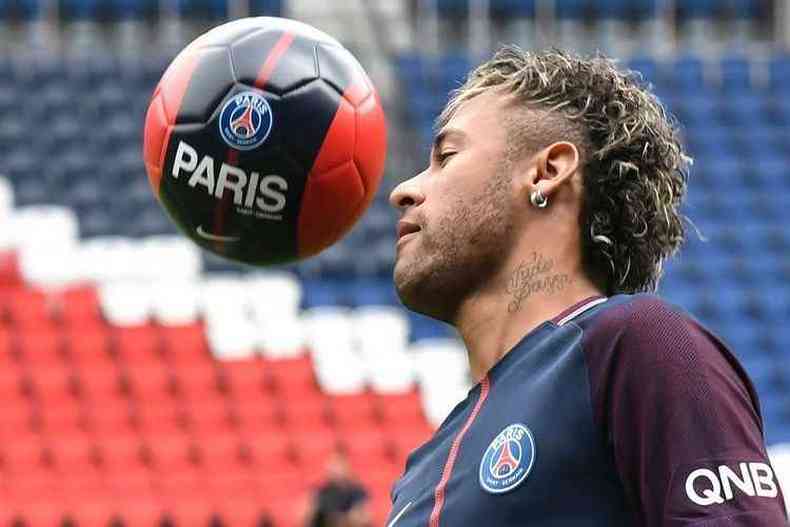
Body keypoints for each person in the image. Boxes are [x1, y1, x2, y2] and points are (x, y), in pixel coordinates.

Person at [386, 46, 788, 526]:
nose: (403, 190)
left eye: (446, 157)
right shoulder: (422, 470)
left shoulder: (639, 344)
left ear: (547, 172)